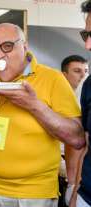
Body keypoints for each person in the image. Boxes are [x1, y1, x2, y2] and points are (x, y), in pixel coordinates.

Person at [0, 23, 85, 207]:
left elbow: (76, 137)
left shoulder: (53, 79)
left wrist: (34, 106)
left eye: (7, 46)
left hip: (31, 195)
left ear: (24, 46)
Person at [60, 55, 88, 206]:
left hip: (80, 176)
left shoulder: (86, 103)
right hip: (60, 172)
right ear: (64, 75)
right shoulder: (53, 103)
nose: (83, 75)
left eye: (86, 70)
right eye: (77, 71)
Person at [72, 1, 91, 206]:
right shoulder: (89, 85)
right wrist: (75, 192)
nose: (87, 45)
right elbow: (85, 145)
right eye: (86, 35)